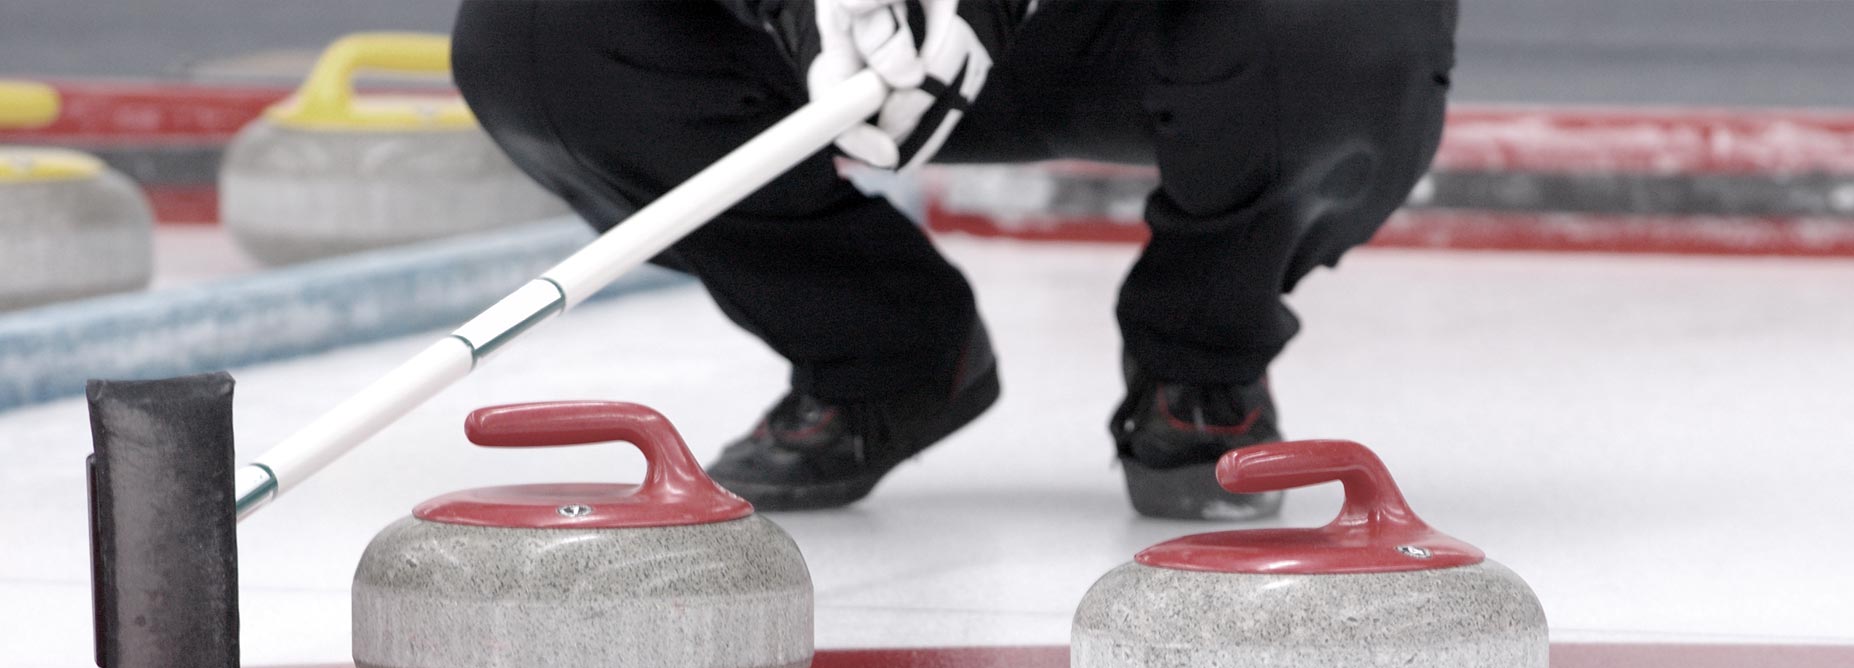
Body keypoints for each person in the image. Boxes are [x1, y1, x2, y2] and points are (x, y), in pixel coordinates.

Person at [451, 0, 1457, 518]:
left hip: (1150, 27)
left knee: (1341, 16)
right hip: (849, 36)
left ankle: (1201, 356)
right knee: (540, 37)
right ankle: (878, 354)